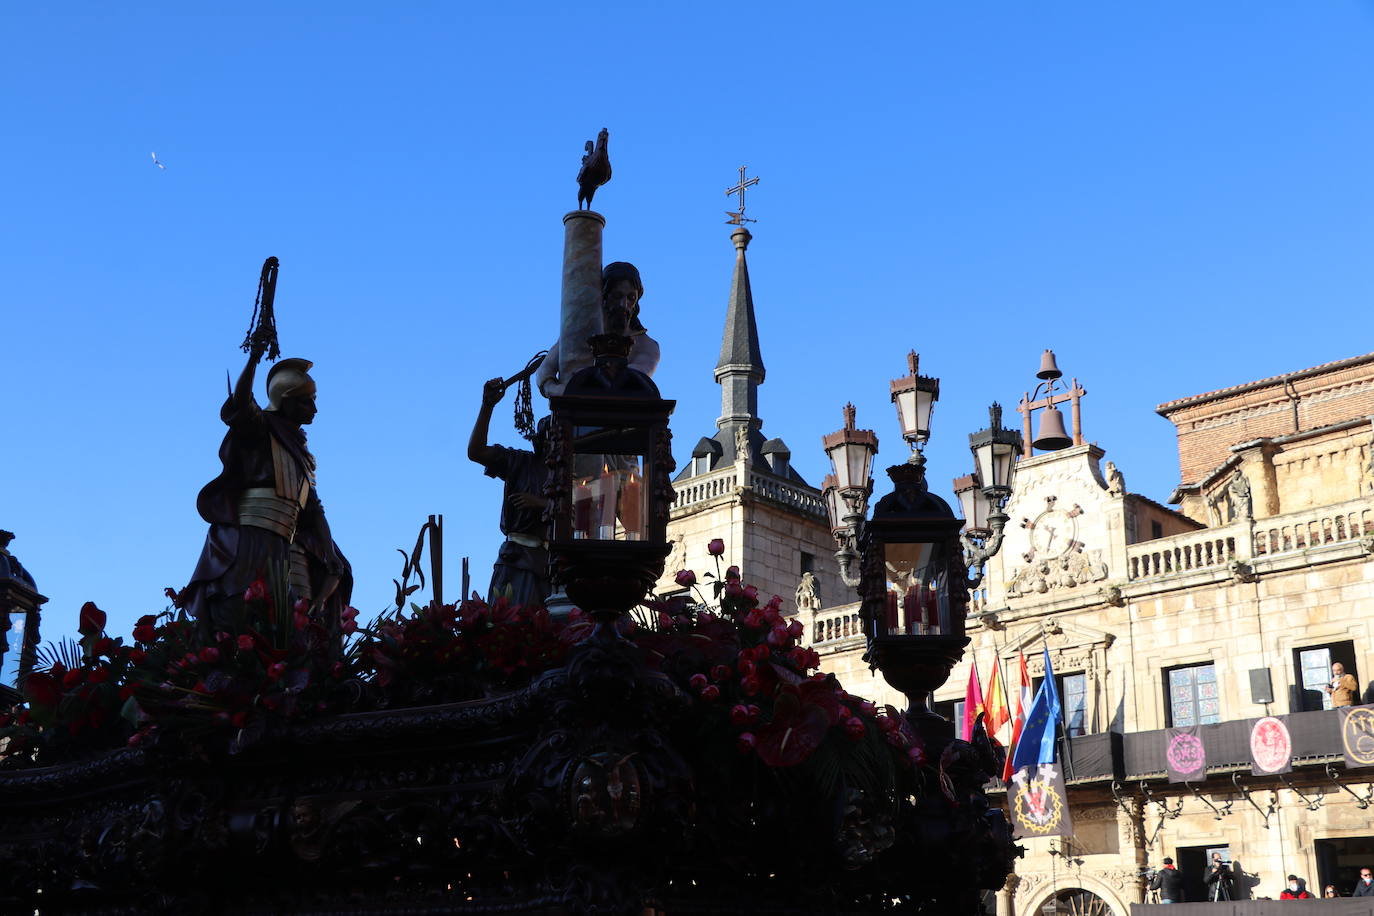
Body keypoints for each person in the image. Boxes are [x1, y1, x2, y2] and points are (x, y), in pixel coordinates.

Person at [183, 340, 351, 639]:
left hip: (289, 545)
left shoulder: (302, 454)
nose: (314, 408)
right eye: (305, 400)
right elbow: (240, 404)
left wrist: (329, 553)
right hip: (251, 540)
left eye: (314, 399)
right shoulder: (260, 430)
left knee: (298, 626)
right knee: (239, 613)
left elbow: (312, 508)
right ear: (285, 400)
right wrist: (254, 359)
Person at [468, 378, 551, 607]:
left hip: (555, 565)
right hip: (517, 560)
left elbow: (589, 512)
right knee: (511, 622)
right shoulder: (521, 462)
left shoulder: (577, 475)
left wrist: (541, 504)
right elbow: (476, 452)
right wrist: (487, 406)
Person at [536, 261, 660, 397]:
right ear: (604, 296)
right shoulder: (577, 334)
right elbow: (545, 372)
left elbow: (629, 379)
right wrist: (563, 391)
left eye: (631, 298)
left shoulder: (647, 346)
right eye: (617, 296)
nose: (623, 305)